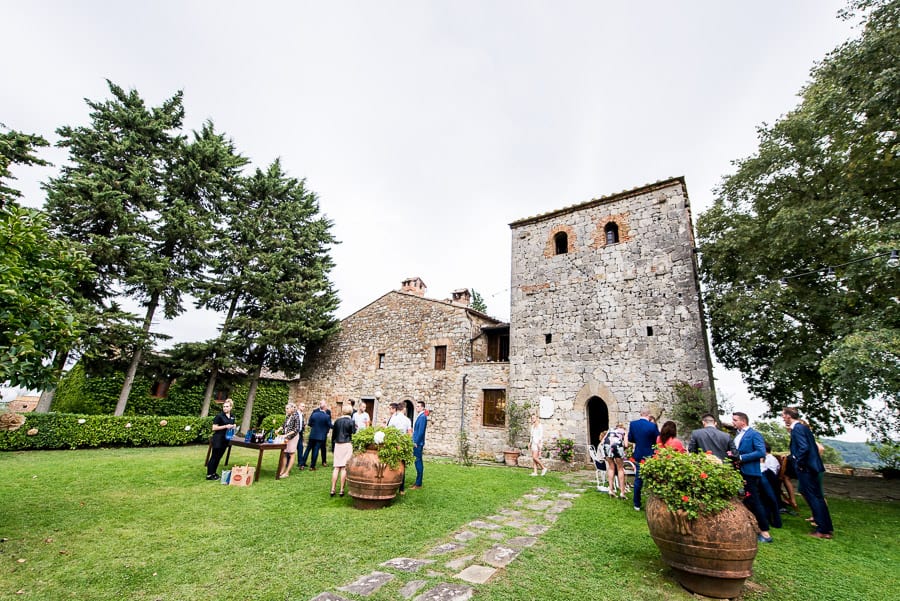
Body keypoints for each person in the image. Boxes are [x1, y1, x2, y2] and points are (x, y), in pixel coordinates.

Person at [782, 407, 834, 539]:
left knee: (813, 497)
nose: (782, 418)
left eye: (783, 415)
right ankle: (826, 527)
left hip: (807, 468)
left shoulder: (798, 428)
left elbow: (803, 448)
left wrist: (797, 462)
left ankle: (822, 530)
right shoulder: (803, 428)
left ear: (789, 416)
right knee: (817, 497)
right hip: (813, 467)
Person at [732, 412, 774, 543]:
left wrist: (741, 458)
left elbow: (761, 452)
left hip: (750, 471)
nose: (733, 422)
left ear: (743, 421)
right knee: (744, 499)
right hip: (739, 471)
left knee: (755, 500)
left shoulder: (754, 434)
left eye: (735, 420)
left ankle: (765, 532)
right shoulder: (738, 435)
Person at [628, 407, 660, 511]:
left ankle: (636, 503)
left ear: (640, 414)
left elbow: (630, 439)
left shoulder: (633, 424)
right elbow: (657, 440)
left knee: (638, 479)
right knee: (653, 479)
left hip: (638, 454)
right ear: (649, 415)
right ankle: (654, 501)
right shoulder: (652, 426)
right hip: (650, 455)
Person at [330, 404, 357, 496]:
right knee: (344, 467)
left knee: (336, 467)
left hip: (337, 444)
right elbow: (353, 434)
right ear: (351, 412)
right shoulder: (351, 422)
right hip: (347, 444)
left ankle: (332, 489)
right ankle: (341, 489)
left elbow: (333, 435)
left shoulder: (337, 421)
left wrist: (332, 446)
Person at [206, 398, 236, 480]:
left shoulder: (232, 416)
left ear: (231, 407)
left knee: (219, 457)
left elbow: (233, 424)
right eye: (224, 407)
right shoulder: (219, 416)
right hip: (218, 438)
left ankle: (214, 473)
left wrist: (234, 427)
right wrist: (225, 426)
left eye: (227, 406)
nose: (225, 408)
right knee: (214, 457)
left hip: (226, 439)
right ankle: (209, 475)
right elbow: (214, 428)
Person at [387, 402, 412, 494]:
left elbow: (389, 431)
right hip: (402, 444)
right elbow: (409, 433)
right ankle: (401, 489)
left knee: (392, 463)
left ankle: (390, 484)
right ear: (404, 409)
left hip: (394, 443)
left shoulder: (393, 419)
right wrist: (407, 443)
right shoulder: (407, 420)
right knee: (402, 465)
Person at [300, 400, 332, 471]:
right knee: (316, 450)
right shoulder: (327, 416)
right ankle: (312, 466)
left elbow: (309, 423)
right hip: (320, 436)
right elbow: (330, 425)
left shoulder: (314, 414)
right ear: (325, 408)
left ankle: (302, 464)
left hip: (313, 434)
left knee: (308, 449)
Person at [601, 423, 628, 498]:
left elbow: (602, 442)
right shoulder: (624, 431)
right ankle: (622, 492)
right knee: (620, 468)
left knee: (611, 467)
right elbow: (626, 445)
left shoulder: (610, 430)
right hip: (617, 445)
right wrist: (623, 450)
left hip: (607, 445)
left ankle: (611, 490)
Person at [276, 403, 302, 478]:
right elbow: (284, 425)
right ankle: (282, 470)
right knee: (284, 453)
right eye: (286, 408)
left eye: (287, 408)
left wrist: (286, 435)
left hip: (293, 437)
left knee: (291, 454)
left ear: (292, 409)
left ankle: (287, 472)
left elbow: (296, 429)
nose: (286, 410)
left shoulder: (296, 416)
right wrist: (278, 429)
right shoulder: (288, 416)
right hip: (286, 437)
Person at [410, 400, 428, 488]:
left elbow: (420, 432)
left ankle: (418, 483)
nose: (416, 407)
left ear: (422, 407)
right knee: (417, 461)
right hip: (416, 442)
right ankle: (417, 482)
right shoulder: (420, 416)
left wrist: (416, 442)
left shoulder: (423, 417)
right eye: (416, 406)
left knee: (418, 461)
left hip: (418, 443)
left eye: (418, 406)